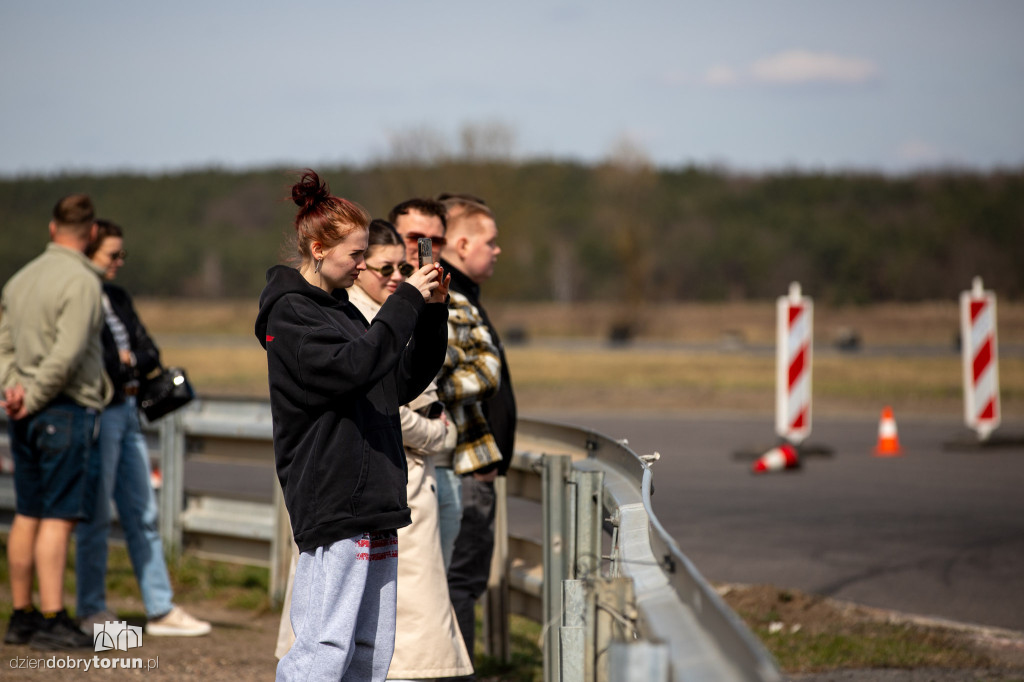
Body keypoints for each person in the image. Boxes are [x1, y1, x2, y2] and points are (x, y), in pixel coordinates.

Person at [255, 171, 449, 682]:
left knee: (369, 650)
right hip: (334, 499)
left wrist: (430, 315)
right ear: (318, 249)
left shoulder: (342, 312)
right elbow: (354, 368)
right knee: (325, 645)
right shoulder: (291, 316)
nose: (364, 266)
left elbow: (396, 379)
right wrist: (405, 299)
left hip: (374, 500)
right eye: (355, 256)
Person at [347, 219, 473, 681]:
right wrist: (440, 435)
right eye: (385, 267)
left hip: (405, 476)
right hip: (393, 476)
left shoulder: (381, 307)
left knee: (402, 623)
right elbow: (380, 404)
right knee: (402, 627)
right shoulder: (360, 316)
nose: (397, 276)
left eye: (403, 266)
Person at [73, 219, 211, 638]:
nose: (118, 262)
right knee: (96, 515)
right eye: (112, 255)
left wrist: (130, 359)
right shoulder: (80, 297)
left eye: (121, 255)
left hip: (129, 411)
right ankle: (92, 610)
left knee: (142, 514)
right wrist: (127, 360)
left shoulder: (117, 295)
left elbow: (148, 351)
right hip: (100, 413)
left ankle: (160, 609)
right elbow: (97, 359)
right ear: (87, 253)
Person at [0, 194, 112, 650]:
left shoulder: (20, 279)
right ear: (89, 235)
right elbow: (66, 355)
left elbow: (4, 348)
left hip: (21, 408)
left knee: (27, 512)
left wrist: (14, 390)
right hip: (62, 408)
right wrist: (39, 395)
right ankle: (52, 616)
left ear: (52, 229)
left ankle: (21, 614)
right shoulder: (82, 281)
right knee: (58, 517)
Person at [436, 196, 517, 668]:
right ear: (462, 244)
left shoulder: (466, 298)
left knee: (460, 586)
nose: (498, 250)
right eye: (490, 241)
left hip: (472, 472)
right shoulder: (451, 301)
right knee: (458, 587)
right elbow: (438, 381)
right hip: (463, 473)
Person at [387, 198, 464, 569]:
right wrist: (438, 433)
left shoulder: (443, 296)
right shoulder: (372, 301)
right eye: (415, 237)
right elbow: (381, 396)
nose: (424, 249)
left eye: (435, 240)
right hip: (394, 471)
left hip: (434, 471)